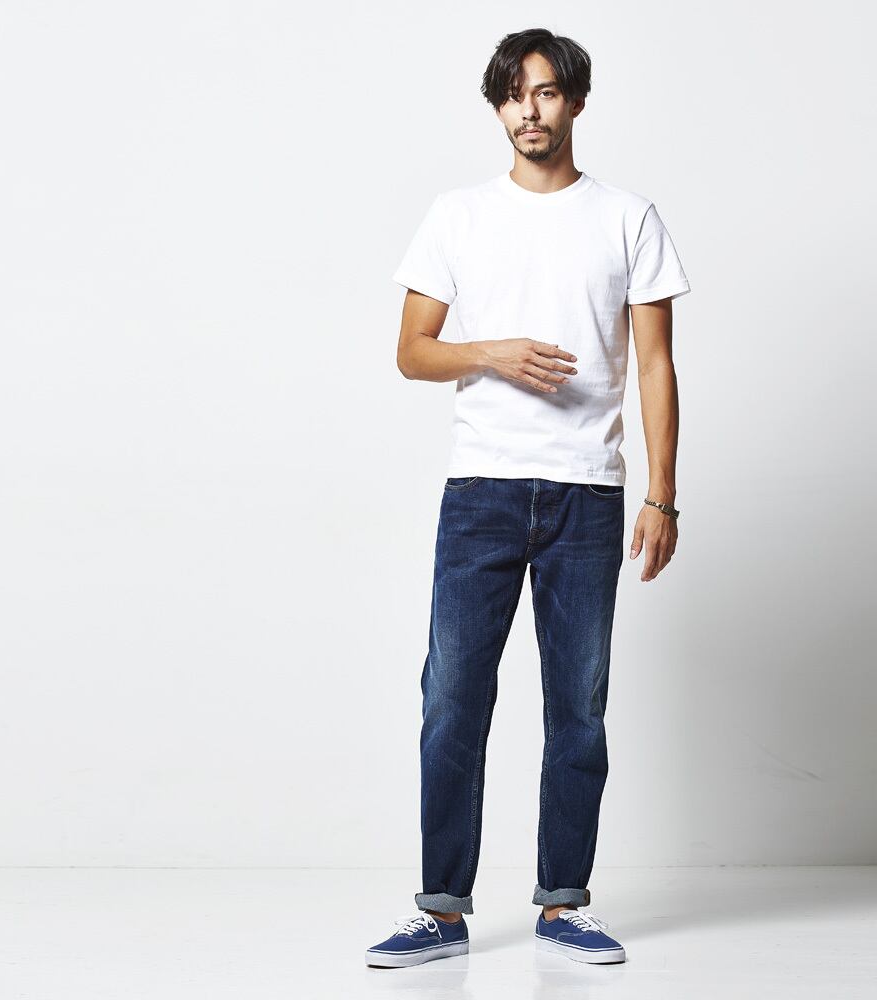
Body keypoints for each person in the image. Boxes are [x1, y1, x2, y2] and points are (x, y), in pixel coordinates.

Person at [365, 26, 689, 969]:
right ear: (498, 106)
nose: (528, 110)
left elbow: (656, 365)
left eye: (545, 92)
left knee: (577, 707)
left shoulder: (627, 218)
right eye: (513, 94)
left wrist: (662, 496)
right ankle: (441, 910)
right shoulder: (458, 216)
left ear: (575, 101)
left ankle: (563, 905)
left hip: (588, 493)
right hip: (483, 491)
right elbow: (412, 350)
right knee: (451, 699)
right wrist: (494, 353)